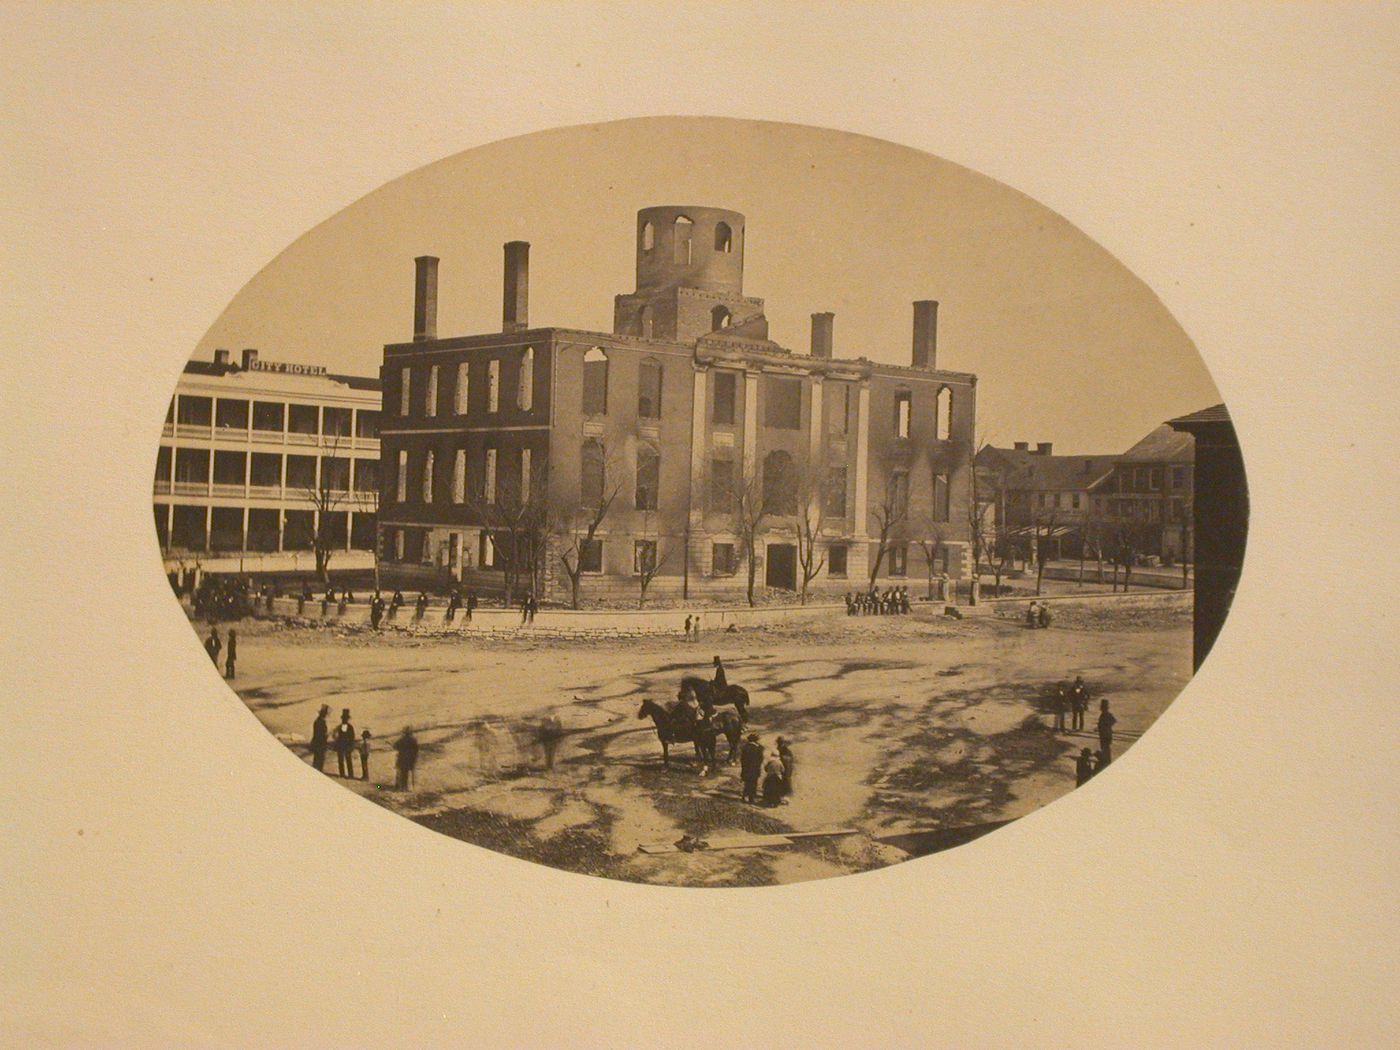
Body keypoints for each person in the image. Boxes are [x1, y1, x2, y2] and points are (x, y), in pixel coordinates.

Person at [739, 733, 764, 804]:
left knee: (747, 783)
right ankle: (751, 798)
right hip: (755, 769)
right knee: (753, 783)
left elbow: (742, 760)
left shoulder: (745, 748)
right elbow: (761, 759)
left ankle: (745, 796)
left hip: (746, 769)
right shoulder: (758, 748)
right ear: (756, 740)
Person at [393, 726, 419, 790]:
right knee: (405, 772)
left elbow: (395, 746)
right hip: (410, 759)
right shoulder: (413, 740)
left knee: (401, 772)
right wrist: (414, 758)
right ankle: (405, 786)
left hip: (402, 759)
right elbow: (416, 750)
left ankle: (400, 786)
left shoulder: (402, 739)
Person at [334, 709, 356, 777]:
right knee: (340, 760)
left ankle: (350, 774)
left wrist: (351, 745)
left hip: (347, 746)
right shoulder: (339, 727)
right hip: (340, 746)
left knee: (348, 760)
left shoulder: (350, 727)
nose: (344, 720)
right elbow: (335, 735)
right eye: (343, 719)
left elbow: (352, 737)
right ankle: (342, 774)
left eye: (345, 719)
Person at [310, 704, 330, 772]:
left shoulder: (318, 721)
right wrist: (326, 736)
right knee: (319, 759)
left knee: (317, 758)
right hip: (320, 743)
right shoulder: (321, 722)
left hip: (318, 742)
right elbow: (320, 733)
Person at [1097, 699, 1117, 764]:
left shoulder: (1106, 714)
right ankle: (1106, 760)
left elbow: (1113, 721)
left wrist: (1106, 726)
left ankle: (1107, 761)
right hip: (1105, 734)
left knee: (1105, 748)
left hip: (1105, 734)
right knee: (1105, 748)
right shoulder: (1104, 714)